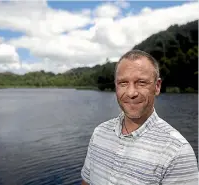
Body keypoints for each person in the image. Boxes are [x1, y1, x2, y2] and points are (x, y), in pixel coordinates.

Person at [81, 50, 198, 185]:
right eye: (123, 83)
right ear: (116, 86)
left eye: (141, 83)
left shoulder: (177, 152)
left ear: (157, 86)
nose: (131, 93)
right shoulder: (99, 133)